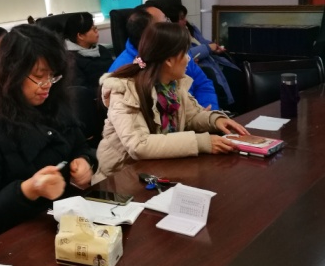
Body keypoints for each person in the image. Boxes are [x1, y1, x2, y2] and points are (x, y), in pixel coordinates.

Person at [0, 24, 98, 241]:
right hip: (13, 240)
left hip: (60, 222)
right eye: (39, 76)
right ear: (11, 72)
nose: (47, 85)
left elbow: (80, 145)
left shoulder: (51, 100)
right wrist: (28, 190)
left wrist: (85, 161)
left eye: (53, 76)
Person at [96, 23, 249, 177]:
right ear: (169, 61)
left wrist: (215, 120)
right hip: (122, 177)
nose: (188, 59)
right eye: (184, 54)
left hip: (160, 170)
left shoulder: (172, 84)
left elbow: (190, 117)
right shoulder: (125, 90)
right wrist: (202, 142)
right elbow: (140, 145)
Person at [109, 7, 220, 109]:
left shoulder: (176, 50)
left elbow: (202, 83)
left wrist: (209, 114)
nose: (171, 24)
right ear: (151, 35)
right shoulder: (122, 75)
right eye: (166, 22)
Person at [175, 5, 241, 108]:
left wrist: (214, 47)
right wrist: (208, 48)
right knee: (216, 80)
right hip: (204, 65)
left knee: (236, 73)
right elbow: (187, 54)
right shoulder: (173, 38)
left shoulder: (190, 28)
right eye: (181, 18)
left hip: (211, 60)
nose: (185, 20)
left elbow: (202, 41)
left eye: (185, 17)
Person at [63, 12, 113, 95]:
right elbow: (83, 92)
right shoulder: (70, 60)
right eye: (93, 29)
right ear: (80, 36)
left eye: (96, 27)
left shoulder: (101, 50)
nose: (96, 31)